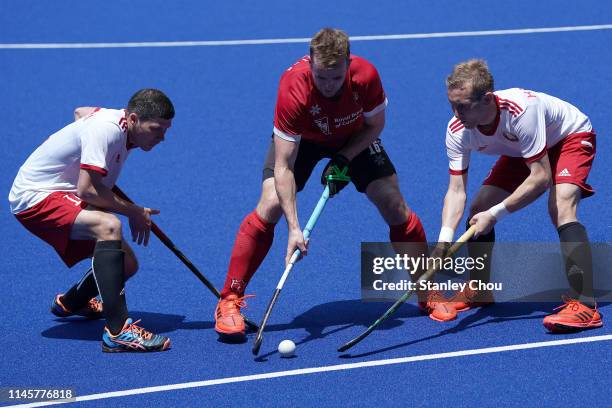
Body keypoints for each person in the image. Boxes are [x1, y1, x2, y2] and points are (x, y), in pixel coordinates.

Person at [214, 28, 456, 341]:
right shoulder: (293, 88)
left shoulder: (366, 76)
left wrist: (344, 158)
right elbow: (284, 165)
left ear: (348, 64)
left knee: (393, 203)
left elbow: (375, 126)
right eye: (321, 77)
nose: (329, 86)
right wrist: (295, 228)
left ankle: (426, 288)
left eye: (336, 78)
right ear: (310, 63)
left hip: (354, 137)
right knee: (271, 203)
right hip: (303, 142)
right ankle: (229, 299)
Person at [436, 59, 602, 332]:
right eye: (452, 104)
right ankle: (479, 290)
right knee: (479, 205)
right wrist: (444, 240)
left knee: (560, 207)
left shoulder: (522, 110)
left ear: (487, 99)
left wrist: (495, 215)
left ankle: (585, 304)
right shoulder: (457, 129)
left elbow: (539, 178)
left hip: (568, 137)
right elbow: (456, 191)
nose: (456, 113)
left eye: (463, 106)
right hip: (522, 147)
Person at [9, 89, 175, 351]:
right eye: (156, 129)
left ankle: (71, 302)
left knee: (127, 265)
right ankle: (118, 332)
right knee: (109, 226)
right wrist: (133, 210)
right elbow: (86, 190)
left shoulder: (114, 124)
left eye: (166, 130)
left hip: (61, 190)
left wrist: (77, 149)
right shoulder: (107, 130)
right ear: (133, 119)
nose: (162, 137)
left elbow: (81, 111)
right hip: (36, 196)